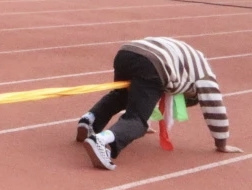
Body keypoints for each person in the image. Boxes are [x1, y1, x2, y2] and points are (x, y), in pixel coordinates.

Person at [76, 38, 239, 170]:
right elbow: (215, 108)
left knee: (122, 95)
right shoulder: (206, 78)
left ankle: (90, 120)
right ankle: (102, 140)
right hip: (153, 63)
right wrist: (222, 143)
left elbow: (147, 97)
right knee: (137, 120)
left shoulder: (189, 63)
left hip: (127, 52)